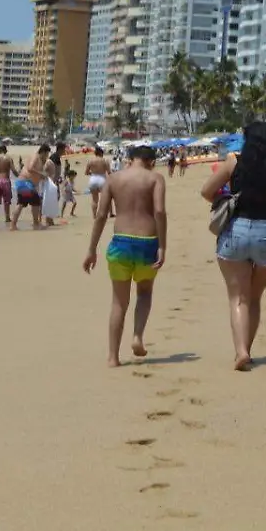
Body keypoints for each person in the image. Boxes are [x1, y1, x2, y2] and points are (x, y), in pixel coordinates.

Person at [201, 121, 266, 371]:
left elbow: (206, 191)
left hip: (237, 228)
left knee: (238, 297)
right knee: (254, 297)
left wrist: (228, 197)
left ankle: (240, 351)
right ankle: (248, 351)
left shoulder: (235, 161)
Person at [83, 145, 167, 368]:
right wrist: (163, 246)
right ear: (151, 161)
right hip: (148, 242)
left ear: (130, 159)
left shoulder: (113, 179)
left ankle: (113, 357)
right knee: (145, 292)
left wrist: (92, 249)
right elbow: (159, 212)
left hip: (120, 243)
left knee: (119, 302)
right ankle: (137, 336)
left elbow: (101, 215)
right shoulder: (155, 178)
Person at [11, 145, 51, 231]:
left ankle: (14, 225)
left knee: (25, 203)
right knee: (31, 202)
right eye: (47, 154)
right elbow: (30, 168)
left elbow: (34, 173)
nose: (47, 156)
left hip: (26, 184)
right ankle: (34, 224)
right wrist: (41, 174)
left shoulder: (40, 160)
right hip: (25, 183)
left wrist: (42, 176)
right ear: (43, 152)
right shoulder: (36, 156)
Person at [0, 145, 15, 223]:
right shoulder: (8, 158)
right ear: (6, 151)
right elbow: (13, 170)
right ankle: (7, 217)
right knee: (6, 201)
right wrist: (21, 176)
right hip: (5, 181)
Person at [85, 147, 111, 219]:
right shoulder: (105, 161)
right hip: (102, 179)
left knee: (94, 199)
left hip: (93, 180)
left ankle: (94, 216)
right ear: (101, 153)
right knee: (105, 198)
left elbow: (86, 172)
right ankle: (104, 214)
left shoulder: (90, 161)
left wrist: (93, 173)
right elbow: (109, 172)